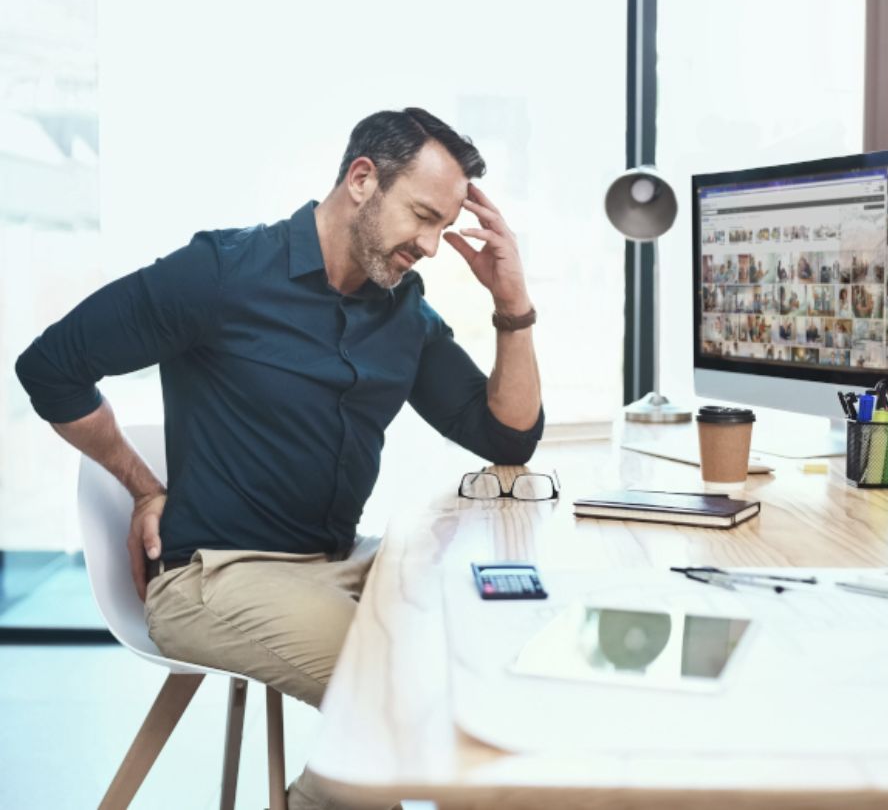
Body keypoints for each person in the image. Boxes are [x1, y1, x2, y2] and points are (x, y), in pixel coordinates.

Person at [15, 107, 544, 809]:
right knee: (407, 690)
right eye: (423, 217)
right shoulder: (221, 274)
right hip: (216, 575)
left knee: (494, 634)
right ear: (362, 180)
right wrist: (143, 487)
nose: (431, 246)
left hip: (337, 561)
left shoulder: (403, 313)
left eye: (443, 227)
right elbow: (51, 367)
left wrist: (512, 302)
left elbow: (507, 438)